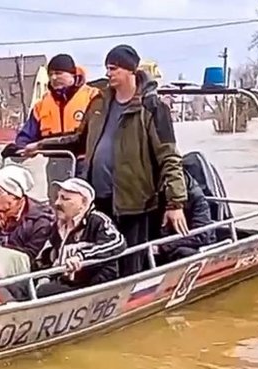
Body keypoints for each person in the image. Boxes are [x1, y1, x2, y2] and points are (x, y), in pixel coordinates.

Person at [80, 44, 188, 276]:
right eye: (107, 68)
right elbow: (78, 139)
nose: (108, 73)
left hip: (135, 202)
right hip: (99, 199)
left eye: (114, 68)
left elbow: (169, 156)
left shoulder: (153, 107)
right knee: (101, 262)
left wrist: (175, 204)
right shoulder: (99, 103)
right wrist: (39, 145)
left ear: (131, 70)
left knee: (132, 265)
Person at [12, 54, 99, 183]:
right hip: (55, 164)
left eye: (58, 73)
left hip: (85, 164)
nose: (53, 78)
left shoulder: (93, 97)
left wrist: (39, 146)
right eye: (50, 74)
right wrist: (18, 148)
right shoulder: (41, 105)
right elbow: (26, 135)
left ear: (72, 74)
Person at [36, 178, 126, 297]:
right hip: (64, 281)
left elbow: (118, 242)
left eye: (65, 199)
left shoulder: (97, 221)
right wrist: (44, 276)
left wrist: (81, 256)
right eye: (58, 197)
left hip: (92, 285)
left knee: (43, 292)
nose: (57, 203)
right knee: (21, 286)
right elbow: (46, 257)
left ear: (83, 203)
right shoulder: (57, 226)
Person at [154, 173, 215, 264]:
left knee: (182, 253)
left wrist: (163, 247)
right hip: (166, 243)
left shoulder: (195, 196)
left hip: (191, 246)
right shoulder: (156, 197)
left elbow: (202, 235)